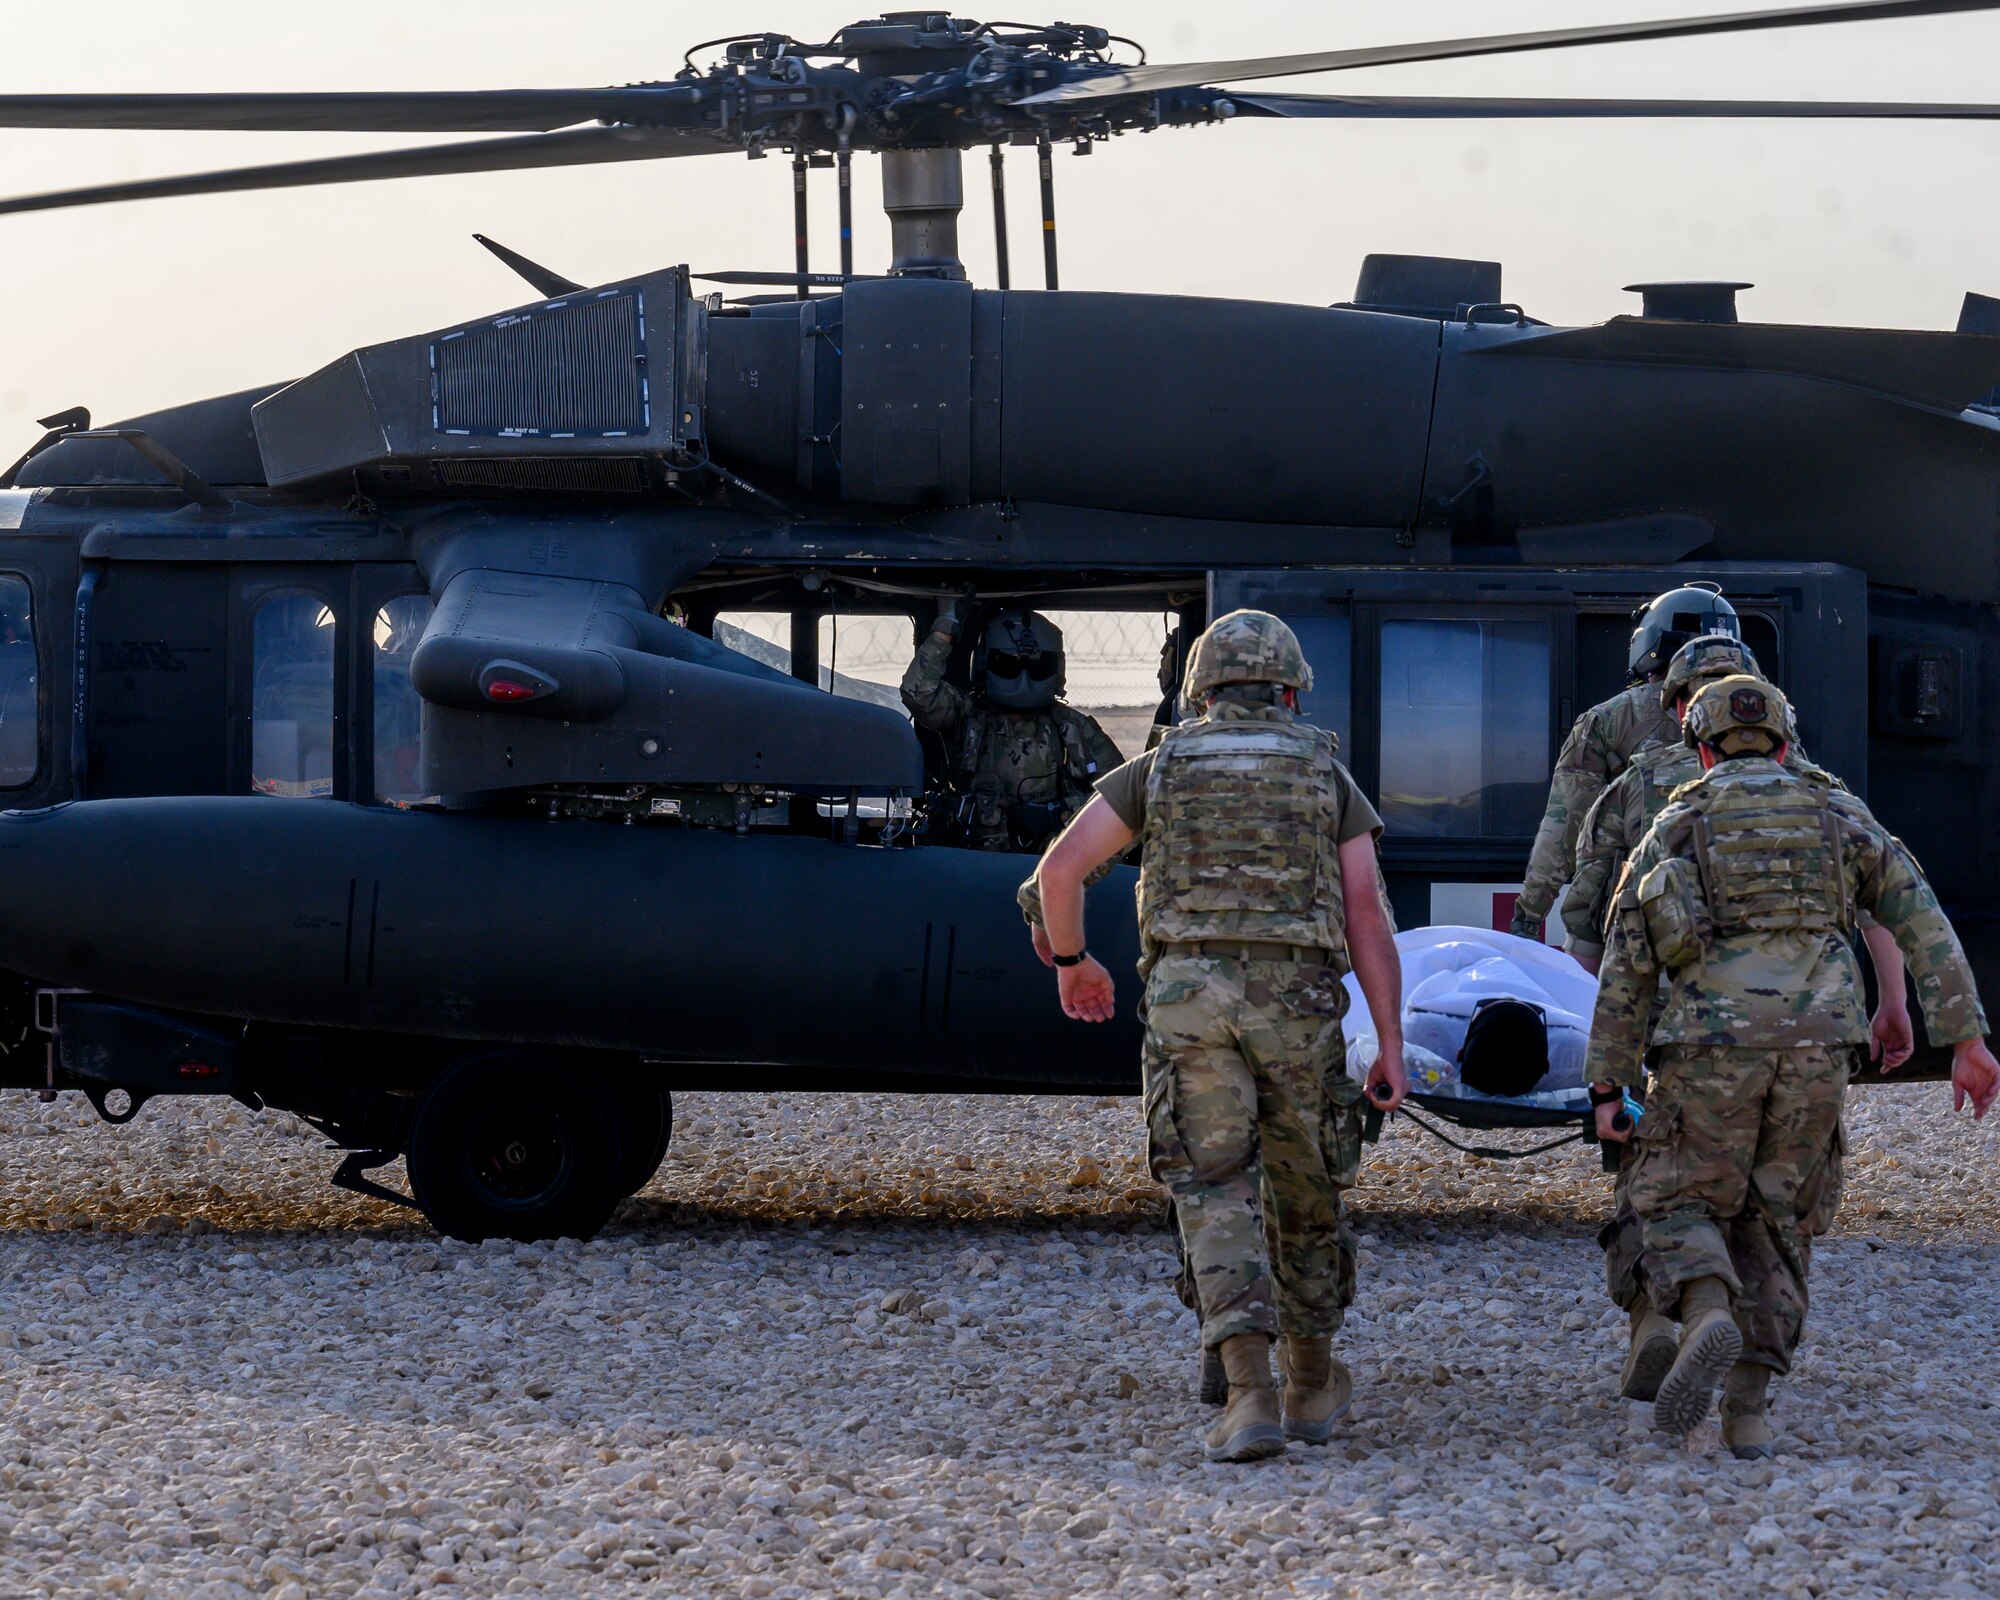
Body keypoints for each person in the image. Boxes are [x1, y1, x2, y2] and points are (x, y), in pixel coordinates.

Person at [1019, 609, 1407, 1463]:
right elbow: (1366, 913)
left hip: (1188, 998)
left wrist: (1075, 963)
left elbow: (1059, 872)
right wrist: (1389, 1040)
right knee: (1307, 1189)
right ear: (1292, 688)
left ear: (1199, 691)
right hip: (1296, 1002)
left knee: (1212, 1188)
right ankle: (1311, 1382)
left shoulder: (1159, 768)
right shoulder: (1324, 772)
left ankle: (1247, 1394)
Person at [1589, 675, 1999, 1456]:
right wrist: (1967, 1040)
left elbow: (1626, 964)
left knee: (1671, 1197)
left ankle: (1705, 1307)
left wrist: (1608, 1083)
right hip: (1818, 1051)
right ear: (1783, 743)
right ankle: (1748, 1410)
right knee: (1779, 1222)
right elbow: (1920, 916)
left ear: (1701, 749)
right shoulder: (1840, 814)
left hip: (1710, 1050)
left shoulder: (1679, 823)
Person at [1563, 634, 1914, 1409]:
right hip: (1808, 1029)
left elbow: (1590, 921)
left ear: (1678, 704)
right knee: (1775, 1199)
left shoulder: (1638, 788)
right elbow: (1887, 902)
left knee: (1655, 1182)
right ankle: (1750, 1389)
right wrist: (1893, 1000)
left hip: (1678, 1031)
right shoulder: (1820, 788)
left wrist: (1599, 1065)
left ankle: (1665, 1313)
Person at [1511, 584, 1742, 939]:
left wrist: (1527, 917)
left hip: (1635, 919)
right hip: (1740, 911)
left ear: (1652, 641)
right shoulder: (1765, 716)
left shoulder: (1608, 720)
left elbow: (1563, 827)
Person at [902, 599, 1122, 852]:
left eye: (1039, 667)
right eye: (1009, 665)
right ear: (985, 664)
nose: (1024, 680)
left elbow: (1123, 797)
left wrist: (1057, 814)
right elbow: (917, 694)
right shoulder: (965, 714)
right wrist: (945, 629)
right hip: (971, 862)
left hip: (1046, 867)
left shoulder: (1072, 726)